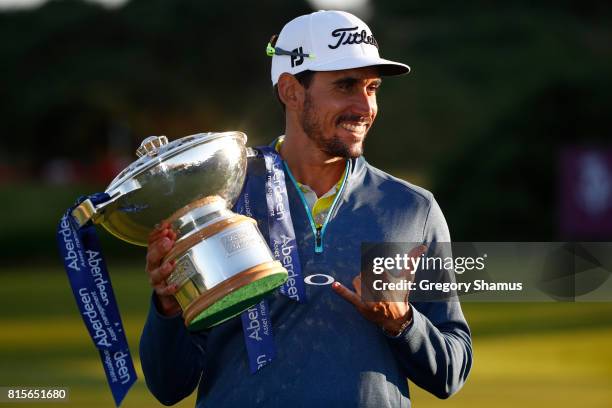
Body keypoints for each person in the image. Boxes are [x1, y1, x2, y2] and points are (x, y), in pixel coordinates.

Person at [140, 10, 472, 407]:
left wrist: (402, 323)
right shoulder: (220, 198)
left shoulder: (412, 208)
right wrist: (167, 302)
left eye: (372, 88)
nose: (364, 106)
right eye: (346, 85)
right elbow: (168, 384)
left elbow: (451, 371)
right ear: (291, 91)